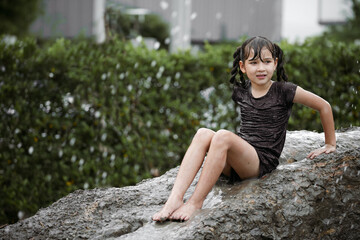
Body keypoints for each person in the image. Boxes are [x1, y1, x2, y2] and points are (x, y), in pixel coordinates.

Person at [152, 36, 336, 222]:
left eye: (266, 61)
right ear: (242, 66)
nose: (261, 68)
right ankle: (174, 199)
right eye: (254, 63)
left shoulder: (284, 90)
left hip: (260, 163)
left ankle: (195, 202)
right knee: (203, 133)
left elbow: (324, 106)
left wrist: (330, 144)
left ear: (275, 63)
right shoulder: (242, 90)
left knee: (223, 136)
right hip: (238, 162)